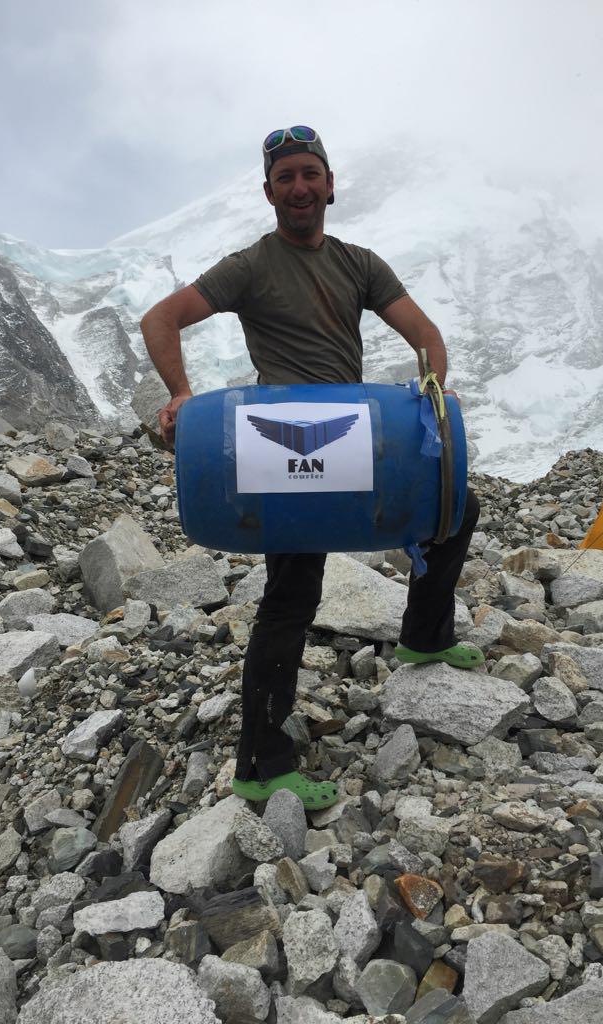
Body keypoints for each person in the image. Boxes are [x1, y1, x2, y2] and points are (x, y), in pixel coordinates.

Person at [141, 126, 481, 811]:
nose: (298, 187)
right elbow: (160, 319)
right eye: (285, 178)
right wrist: (180, 394)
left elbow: (425, 336)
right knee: (294, 591)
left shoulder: (361, 264)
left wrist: (432, 390)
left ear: (329, 185)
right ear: (269, 193)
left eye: (309, 174)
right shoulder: (250, 266)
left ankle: (424, 638)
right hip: (284, 447)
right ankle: (261, 763)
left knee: (456, 508)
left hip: (355, 433)